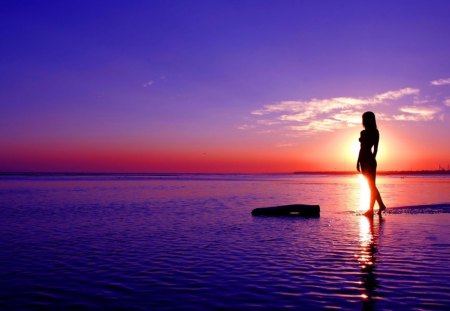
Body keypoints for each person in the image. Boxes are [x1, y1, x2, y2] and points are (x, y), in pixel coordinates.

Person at [356, 111, 387, 217]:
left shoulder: (375, 132)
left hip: (369, 161)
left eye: (364, 119)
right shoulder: (363, 132)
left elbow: (376, 149)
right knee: (371, 186)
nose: (363, 121)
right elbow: (361, 149)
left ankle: (371, 209)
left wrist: (371, 160)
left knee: (371, 185)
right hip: (363, 161)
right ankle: (381, 205)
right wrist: (358, 162)